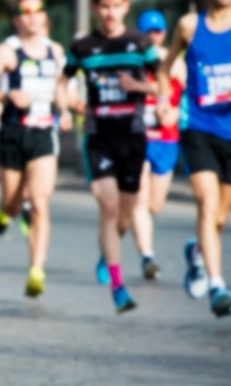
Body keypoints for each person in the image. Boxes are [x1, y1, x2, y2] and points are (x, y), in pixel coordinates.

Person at [56, 0, 160, 313]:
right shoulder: (82, 47)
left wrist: (137, 85)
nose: (110, 12)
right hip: (98, 137)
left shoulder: (141, 43)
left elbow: (163, 83)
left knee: (125, 216)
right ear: (96, 9)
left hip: (133, 136)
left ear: (126, 7)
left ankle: (107, 253)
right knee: (110, 208)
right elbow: (63, 81)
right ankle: (118, 287)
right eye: (104, 6)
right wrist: (65, 105)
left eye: (116, 6)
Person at [0, 0, 64, 298]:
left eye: (36, 11)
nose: (32, 18)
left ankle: (36, 270)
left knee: (39, 202)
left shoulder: (56, 51)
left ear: (44, 16)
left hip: (43, 133)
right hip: (13, 133)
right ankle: (4, 215)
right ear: (17, 20)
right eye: (25, 12)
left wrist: (67, 109)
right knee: (13, 203)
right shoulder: (6, 52)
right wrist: (6, 95)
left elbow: (62, 89)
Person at [158, 0, 231, 317]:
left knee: (219, 218)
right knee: (207, 204)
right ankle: (218, 286)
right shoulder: (189, 26)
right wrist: (164, 101)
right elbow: (164, 69)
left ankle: (197, 254)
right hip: (197, 126)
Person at [113, 10, 186, 285]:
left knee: (155, 206)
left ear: (165, 34)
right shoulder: (131, 61)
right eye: (148, 32)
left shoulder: (176, 64)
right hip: (138, 136)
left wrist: (177, 113)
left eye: (158, 32)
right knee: (141, 201)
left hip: (166, 139)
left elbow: (192, 97)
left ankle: (125, 232)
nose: (153, 37)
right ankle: (147, 257)